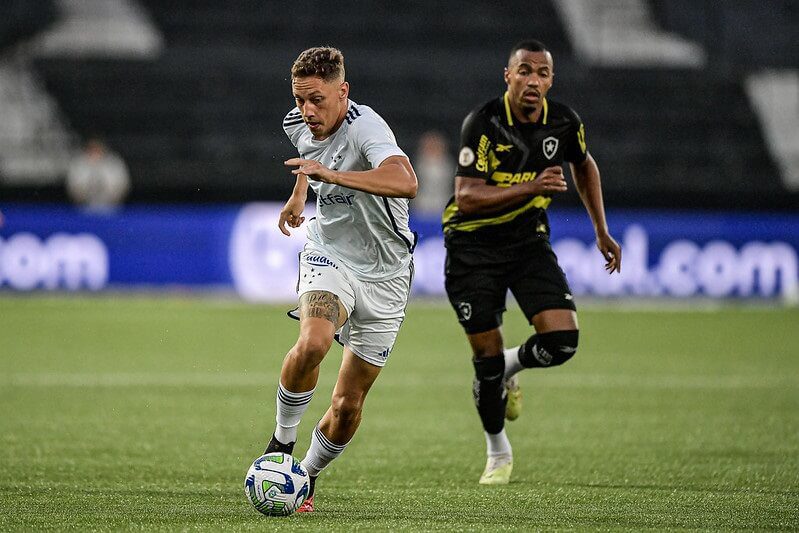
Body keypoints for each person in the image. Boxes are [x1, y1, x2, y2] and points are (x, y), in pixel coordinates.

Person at [442, 39, 622, 485]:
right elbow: (465, 198)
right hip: (471, 250)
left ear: (550, 81)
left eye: (541, 73)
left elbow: (585, 165)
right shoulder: (483, 123)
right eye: (524, 71)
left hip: (526, 243)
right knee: (482, 364)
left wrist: (601, 228)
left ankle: (511, 365)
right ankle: (498, 452)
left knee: (562, 340)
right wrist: (531, 186)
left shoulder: (563, 122)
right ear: (509, 76)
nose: (533, 81)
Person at [263, 46, 418, 512]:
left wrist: (331, 175)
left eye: (318, 100)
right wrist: (299, 193)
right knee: (314, 342)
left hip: (388, 274)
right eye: (300, 99)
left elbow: (405, 180)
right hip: (329, 253)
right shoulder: (297, 123)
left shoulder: (367, 127)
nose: (307, 111)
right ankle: (280, 445)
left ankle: (303, 477)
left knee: (348, 404)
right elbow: (310, 156)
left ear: (343, 93)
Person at [65, 138, 130, 212]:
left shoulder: (114, 163)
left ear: (103, 149)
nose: (95, 153)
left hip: (111, 210)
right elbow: (73, 188)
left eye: (97, 150)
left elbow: (123, 186)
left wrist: (112, 196)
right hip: (83, 210)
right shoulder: (79, 164)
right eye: (92, 149)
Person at [411, 130, 454, 217]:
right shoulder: (418, 163)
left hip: (442, 202)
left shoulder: (448, 163)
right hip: (421, 205)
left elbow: (445, 184)